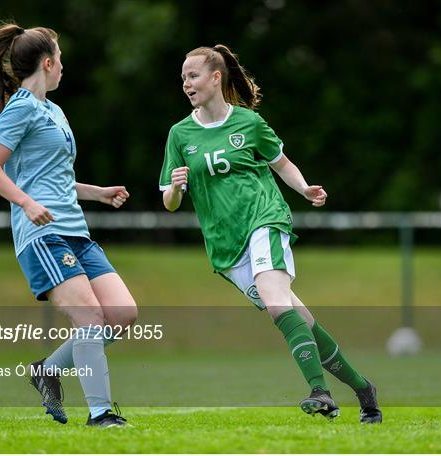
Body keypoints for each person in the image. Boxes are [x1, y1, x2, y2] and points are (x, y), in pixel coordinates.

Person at [159, 45, 382, 424]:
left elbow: (280, 162)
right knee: (298, 317)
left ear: (216, 77)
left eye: (193, 76)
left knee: (278, 304)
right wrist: (177, 188)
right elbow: (169, 202)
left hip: (265, 219)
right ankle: (364, 389)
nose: (186, 83)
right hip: (226, 246)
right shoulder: (180, 134)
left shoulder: (248, 123)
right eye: (183, 78)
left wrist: (305, 188)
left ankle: (320, 391)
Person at [0, 23, 137, 427]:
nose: (63, 69)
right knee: (90, 318)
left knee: (123, 314)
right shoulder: (20, 107)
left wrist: (97, 193)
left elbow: (50, 178)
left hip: (76, 230)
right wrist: (26, 203)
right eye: (61, 61)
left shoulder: (54, 110)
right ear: (48, 63)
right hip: (42, 235)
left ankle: (47, 369)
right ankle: (101, 414)